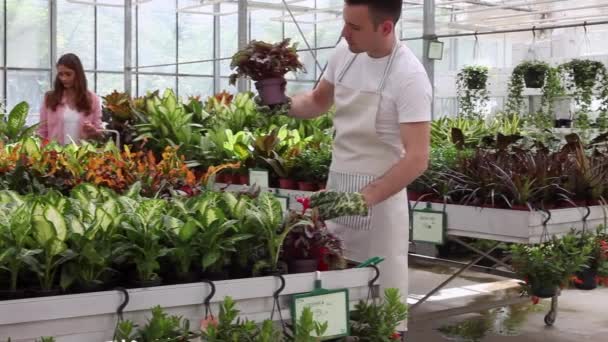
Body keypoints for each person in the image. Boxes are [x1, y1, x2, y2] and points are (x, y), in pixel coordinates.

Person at [258, 0, 431, 338]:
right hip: (335, 191)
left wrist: (362, 199)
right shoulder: (345, 53)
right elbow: (318, 102)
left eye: (354, 27)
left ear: (385, 28)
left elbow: (417, 158)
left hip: (380, 206)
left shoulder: (409, 77)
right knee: (330, 301)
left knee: (379, 309)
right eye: (345, 23)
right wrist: (282, 104)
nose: (344, 32)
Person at [38, 53, 103, 144]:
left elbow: (100, 134)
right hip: (55, 155)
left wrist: (92, 131)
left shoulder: (93, 99)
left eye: (68, 74)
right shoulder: (50, 98)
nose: (63, 78)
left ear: (78, 74)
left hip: (82, 155)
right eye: (60, 74)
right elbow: (42, 131)